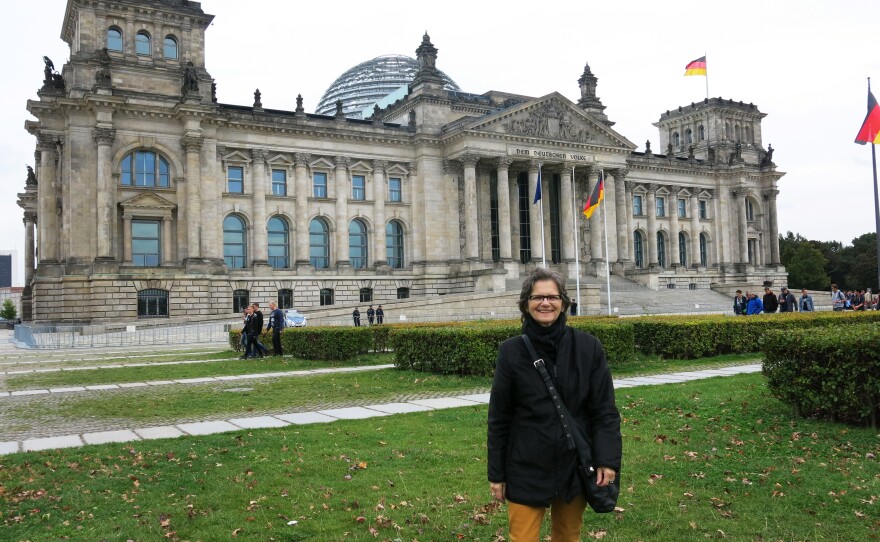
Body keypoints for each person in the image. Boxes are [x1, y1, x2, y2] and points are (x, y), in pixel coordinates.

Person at [488, 268, 622, 541]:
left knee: (567, 536)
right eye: (537, 297)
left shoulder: (588, 347)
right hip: (526, 464)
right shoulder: (511, 352)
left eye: (552, 297)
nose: (545, 303)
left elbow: (604, 411)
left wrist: (607, 460)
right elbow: (499, 418)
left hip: (574, 463)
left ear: (563, 303)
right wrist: (497, 474)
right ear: (526, 304)